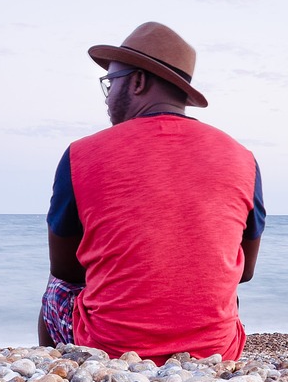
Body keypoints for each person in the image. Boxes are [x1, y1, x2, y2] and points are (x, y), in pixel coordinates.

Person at [38, 21, 265, 363]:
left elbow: (65, 270)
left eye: (110, 83)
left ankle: (61, 378)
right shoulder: (242, 158)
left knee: (55, 292)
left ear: (138, 81)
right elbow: (244, 270)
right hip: (215, 351)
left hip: (110, 349)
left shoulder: (81, 155)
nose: (108, 97)